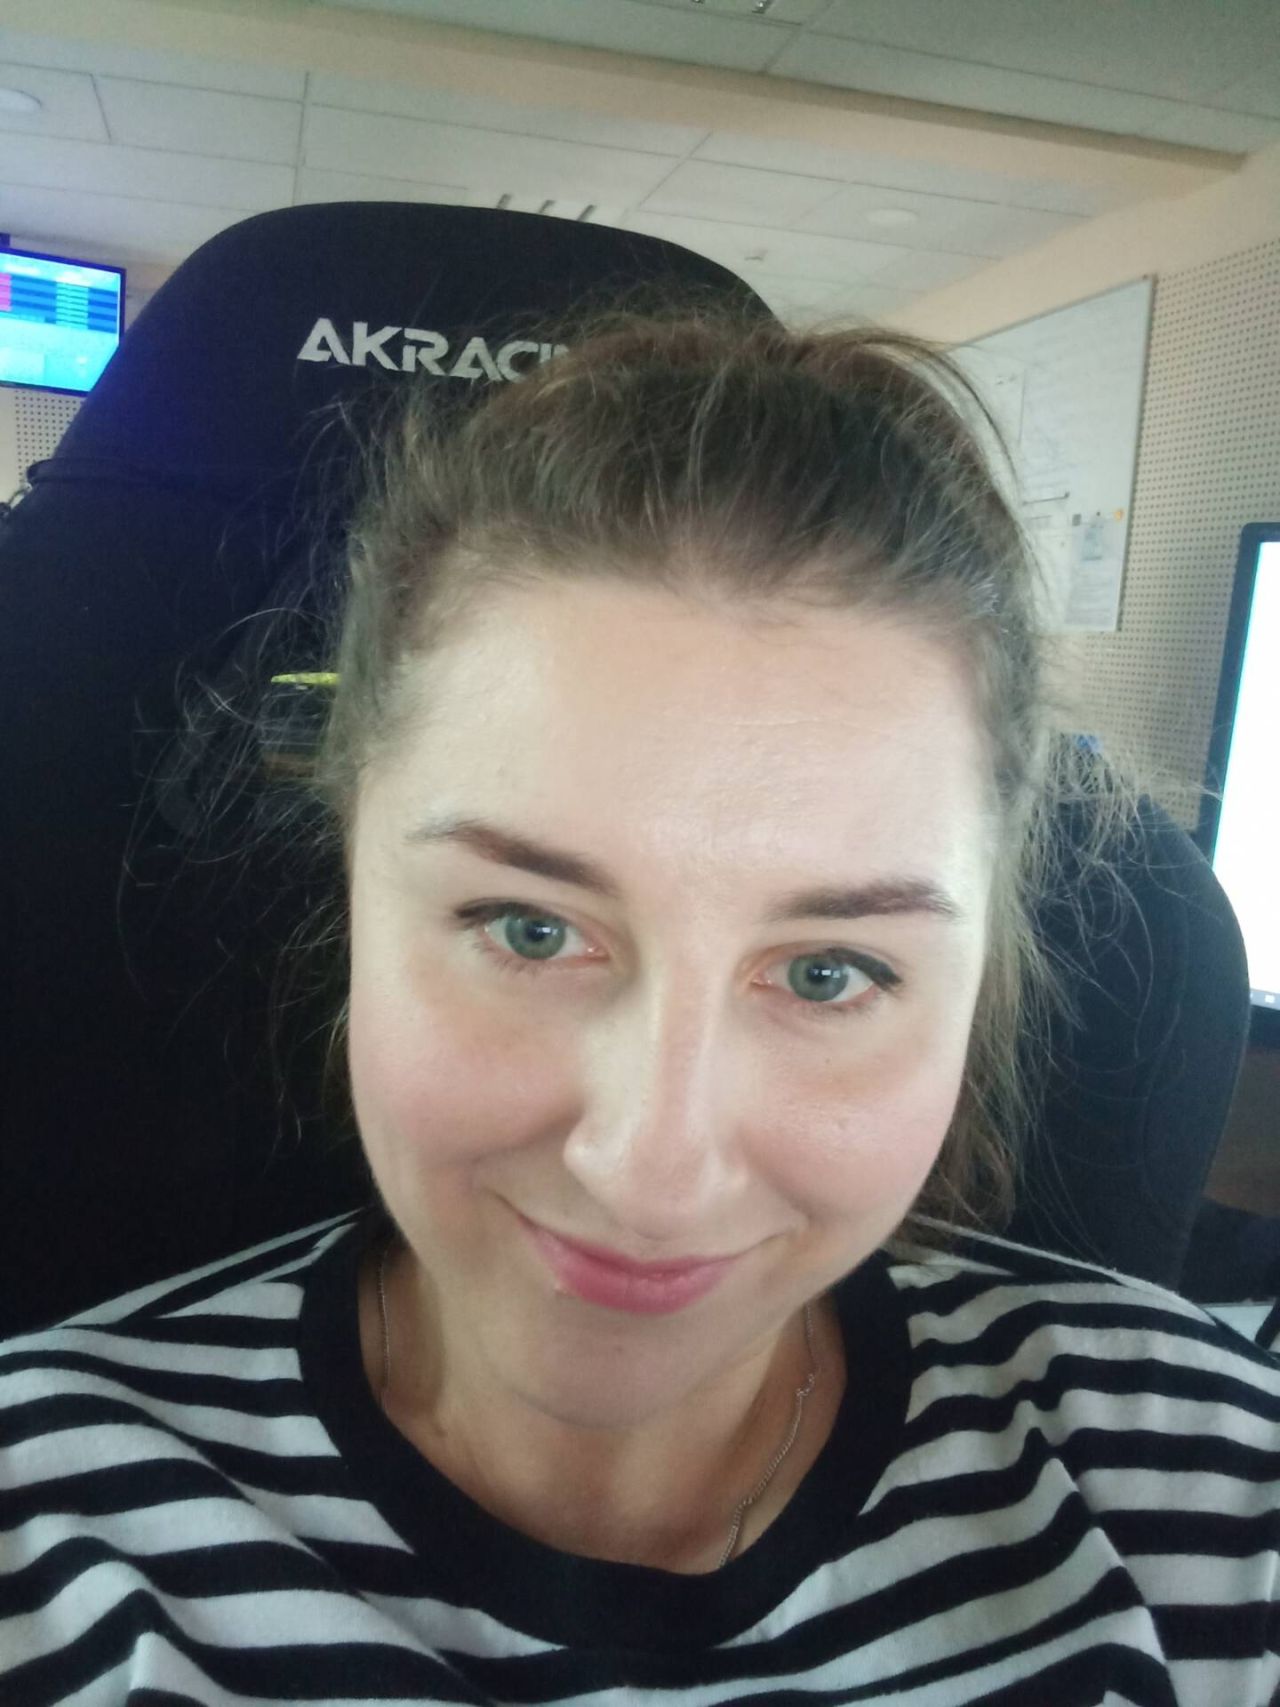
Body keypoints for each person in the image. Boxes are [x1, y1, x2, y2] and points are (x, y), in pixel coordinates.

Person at [1, 309, 1277, 1706]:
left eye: (829, 973)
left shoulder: (1218, 1488)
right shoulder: (47, 1528)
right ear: (350, 874)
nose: (652, 1171)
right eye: (532, 929)